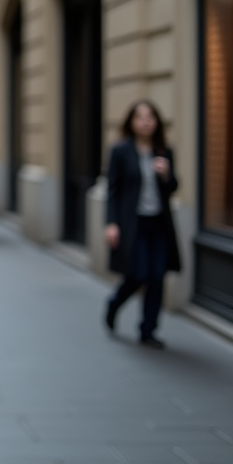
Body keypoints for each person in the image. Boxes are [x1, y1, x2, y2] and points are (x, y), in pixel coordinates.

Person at [104, 100, 181, 350]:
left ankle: (148, 330)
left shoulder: (164, 151)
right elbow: (112, 190)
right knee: (138, 274)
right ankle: (114, 303)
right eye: (140, 117)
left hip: (159, 223)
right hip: (132, 223)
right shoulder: (120, 151)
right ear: (132, 122)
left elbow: (172, 188)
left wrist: (167, 175)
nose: (146, 121)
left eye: (150, 117)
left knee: (157, 276)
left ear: (156, 122)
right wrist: (111, 223)